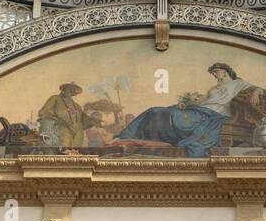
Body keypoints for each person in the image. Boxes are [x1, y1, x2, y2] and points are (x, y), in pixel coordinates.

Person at [110, 63, 253, 157]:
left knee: (172, 116)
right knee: (154, 111)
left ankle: (144, 136)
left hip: (212, 115)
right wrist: (189, 102)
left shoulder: (238, 84)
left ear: (225, 71)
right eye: (213, 73)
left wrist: (257, 94)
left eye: (216, 72)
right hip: (199, 111)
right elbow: (202, 102)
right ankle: (124, 136)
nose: (215, 75)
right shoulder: (213, 88)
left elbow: (255, 90)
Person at [38, 83, 98, 148]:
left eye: (72, 90)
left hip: (78, 132)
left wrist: (93, 120)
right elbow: (43, 112)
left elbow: (83, 117)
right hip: (61, 129)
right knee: (64, 151)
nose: (70, 91)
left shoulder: (77, 105)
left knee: (76, 152)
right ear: (63, 89)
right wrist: (57, 119)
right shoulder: (55, 98)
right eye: (68, 89)